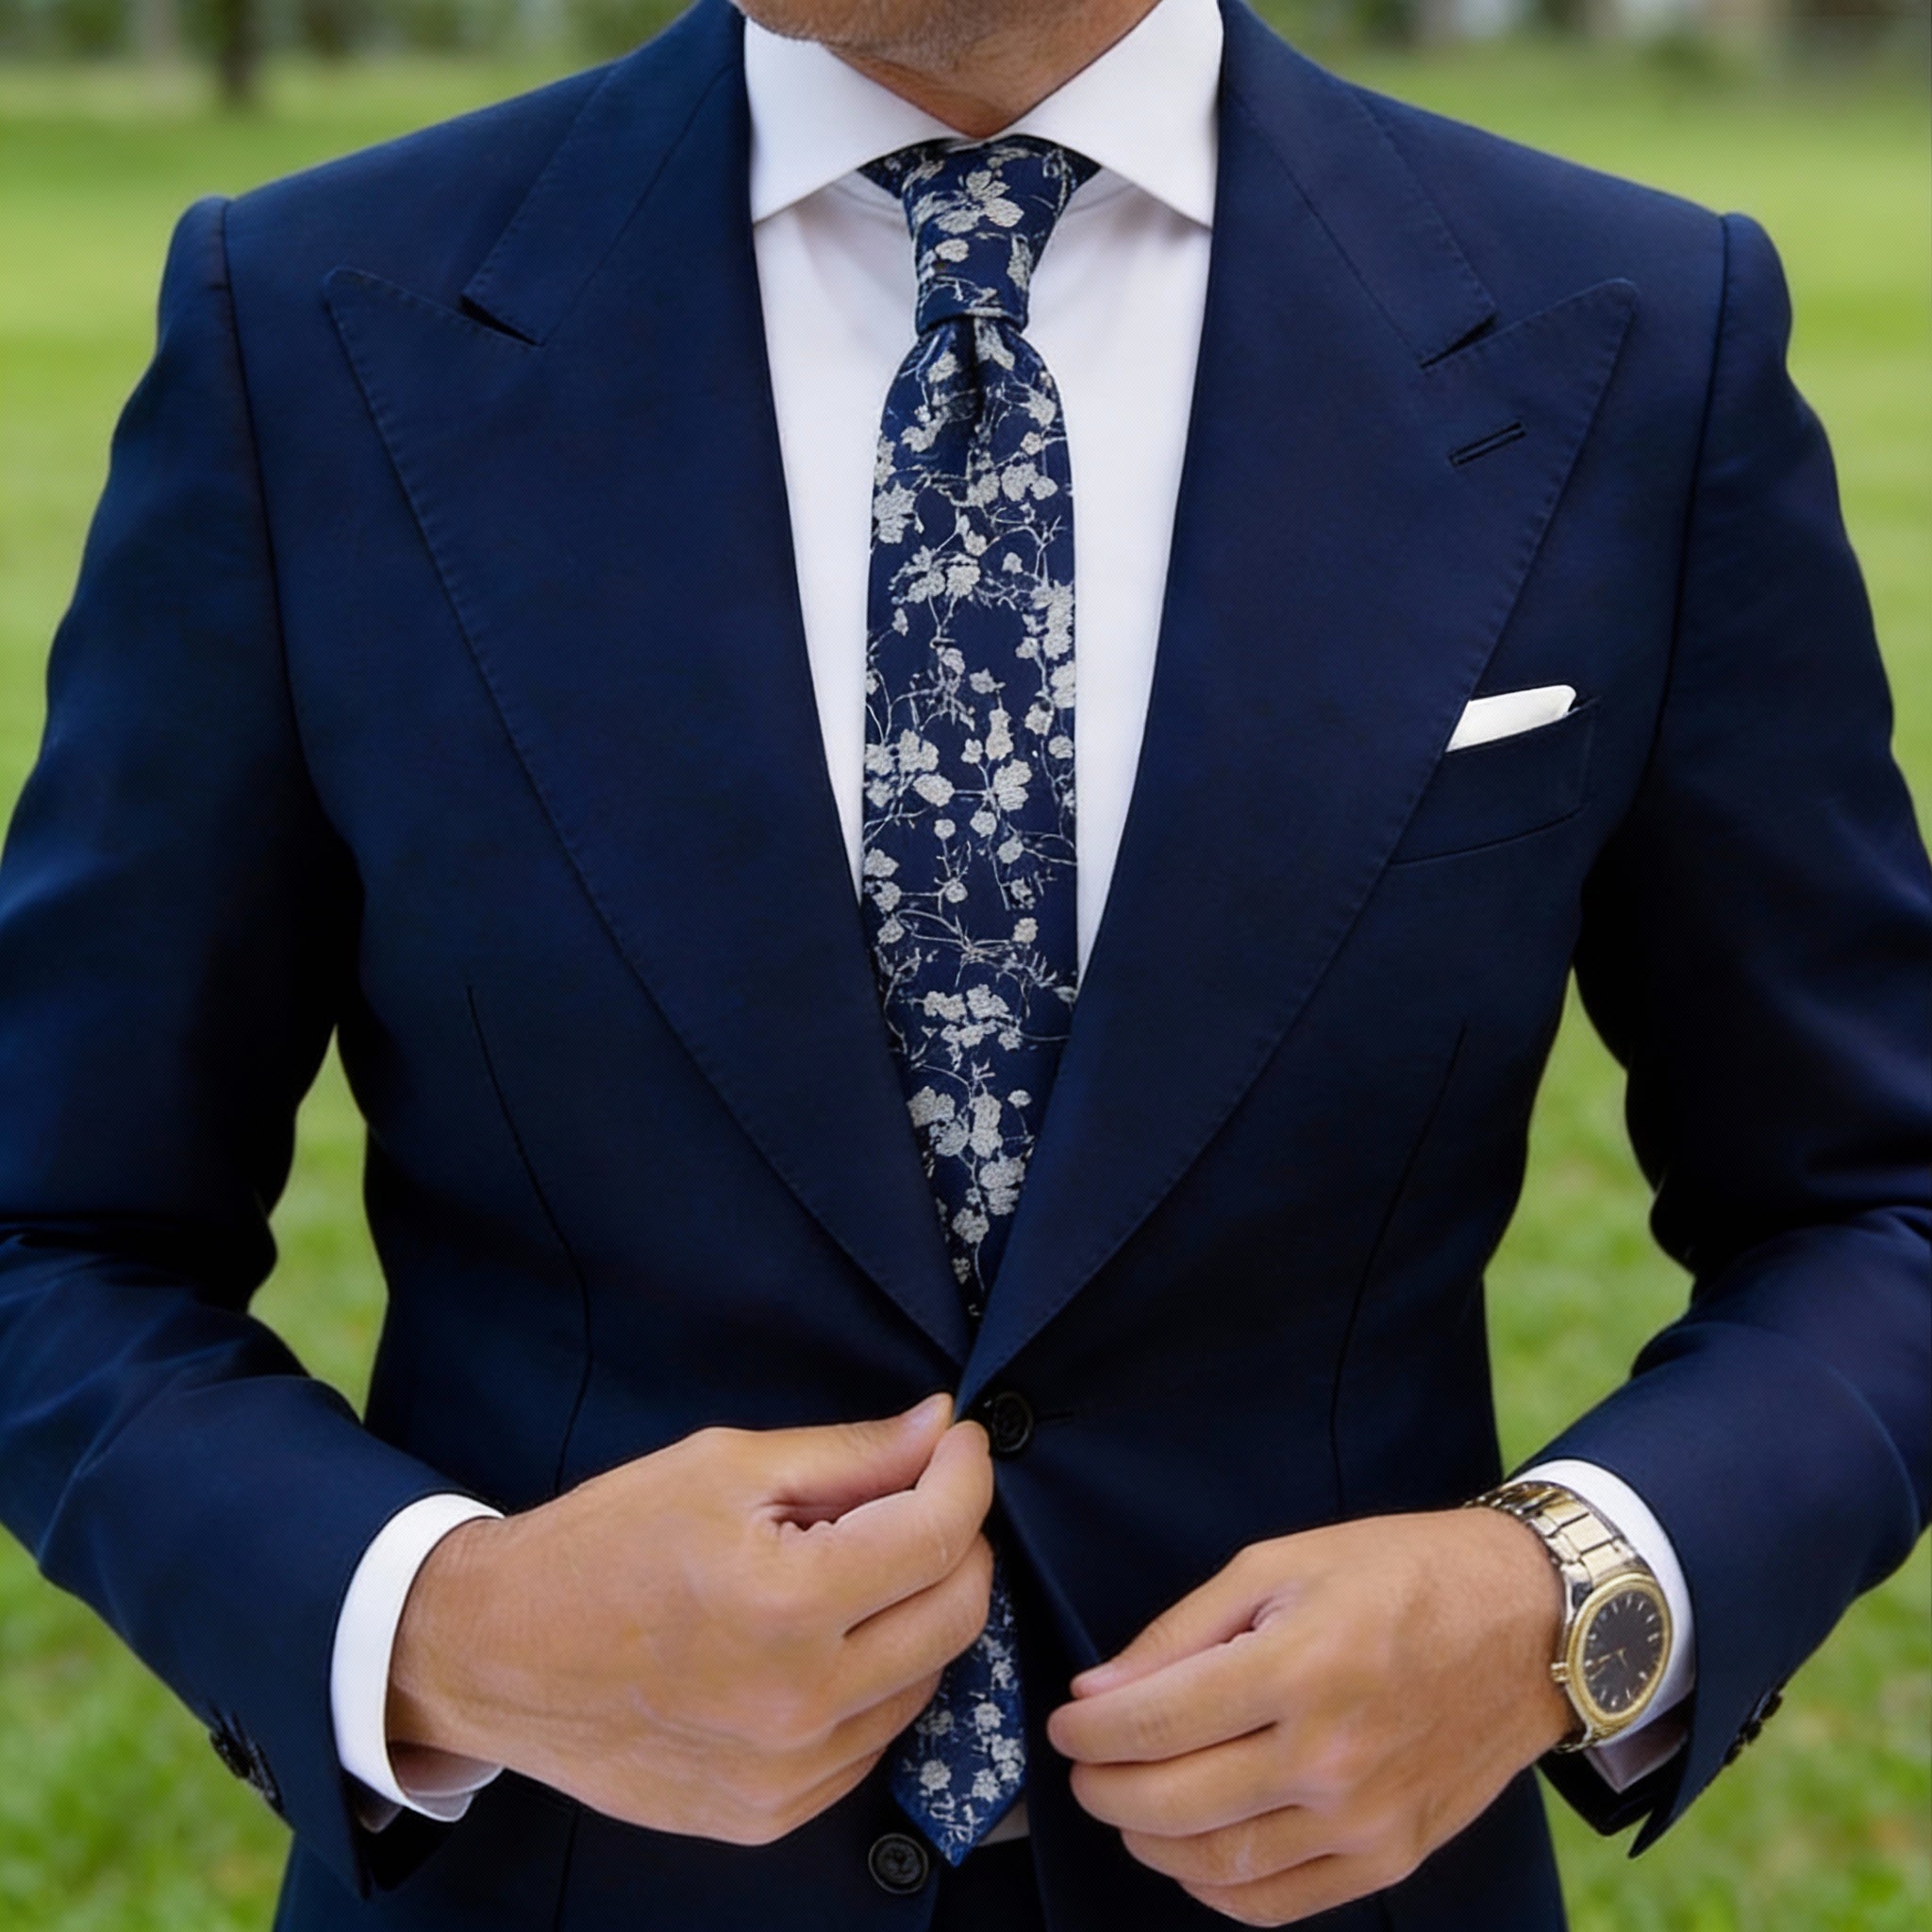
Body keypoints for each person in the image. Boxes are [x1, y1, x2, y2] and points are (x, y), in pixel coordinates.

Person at [0, 0, 1925, 1924]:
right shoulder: (310, 323)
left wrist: (1554, 1602)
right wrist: (451, 1626)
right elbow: (53, 1230)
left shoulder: (1635, 330)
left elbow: (1874, 1198)